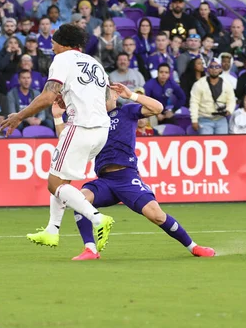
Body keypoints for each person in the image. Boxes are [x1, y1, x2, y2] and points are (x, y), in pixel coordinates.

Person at [51, 82, 214, 259]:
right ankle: (90, 249)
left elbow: (158, 108)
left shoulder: (126, 112)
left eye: (104, 93)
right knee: (80, 201)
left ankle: (194, 247)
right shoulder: (92, 120)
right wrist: (58, 117)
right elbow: (66, 140)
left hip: (126, 177)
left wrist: (132, 95)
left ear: (115, 96)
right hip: (104, 180)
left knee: (157, 216)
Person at [0, 24, 115, 251]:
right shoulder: (95, 64)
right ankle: (52, 231)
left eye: (53, 42)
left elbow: (47, 96)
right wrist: (71, 97)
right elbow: (110, 102)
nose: (51, 46)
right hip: (101, 129)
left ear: (62, 43)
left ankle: (97, 218)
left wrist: (19, 116)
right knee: (63, 179)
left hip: (80, 126)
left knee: (54, 184)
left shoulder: (62, 59)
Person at [189, 59, 235, 135]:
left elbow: (231, 100)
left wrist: (229, 110)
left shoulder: (227, 84)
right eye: (212, 67)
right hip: (204, 118)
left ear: (220, 69)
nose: (214, 69)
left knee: (222, 142)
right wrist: (194, 120)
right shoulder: (199, 84)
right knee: (206, 142)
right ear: (208, 69)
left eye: (217, 67)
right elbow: (194, 103)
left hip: (221, 119)